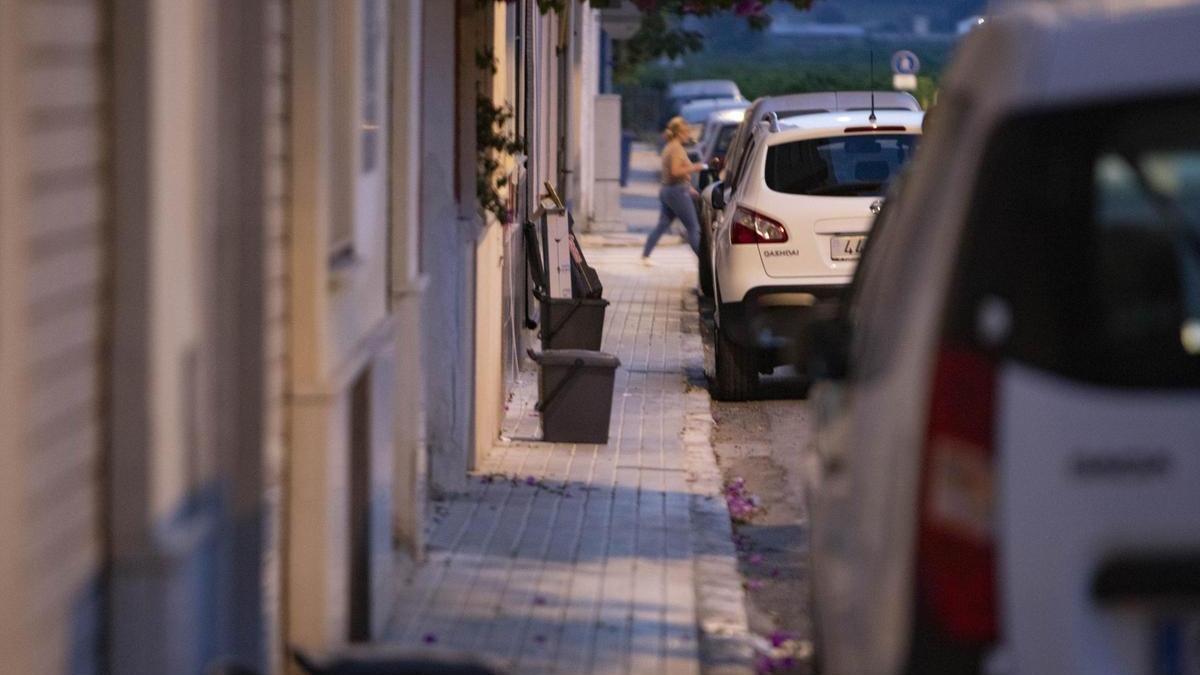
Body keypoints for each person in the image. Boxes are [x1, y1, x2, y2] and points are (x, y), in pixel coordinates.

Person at [642, 116, 705, 266]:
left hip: (669, 190)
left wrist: (689, 187)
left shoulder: (669, 147)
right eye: (686, 132)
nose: (688, 135)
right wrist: (696, 167)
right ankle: (705, 262)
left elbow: (673, 174)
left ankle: (646, 254)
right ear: (679, 133)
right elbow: (675, 171)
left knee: (663, 224)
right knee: (693, 227)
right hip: (677, 191)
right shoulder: (676, 149)